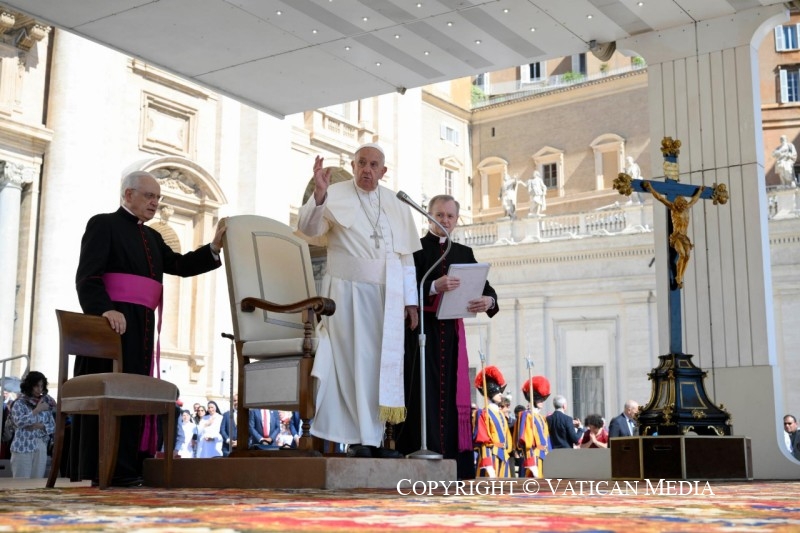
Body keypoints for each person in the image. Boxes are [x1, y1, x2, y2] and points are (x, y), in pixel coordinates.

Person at [73, 169, 225, 486]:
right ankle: (108, 467)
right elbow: (87, 277)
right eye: (149, 196)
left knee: (136, 397)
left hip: (143, 326)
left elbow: (180, 266)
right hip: (112, 327)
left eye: (158, 197)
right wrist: (105, 309)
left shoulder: (153, 237)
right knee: (117, 396)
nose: (155, 203)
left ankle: (130, 467)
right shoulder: (103, 224)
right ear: (128, 194)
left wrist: (213, 248)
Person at [296, 143, 421, 459]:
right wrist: (320, 195)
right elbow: (309, 228)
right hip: (347, 294)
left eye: (374, 164)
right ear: (353, 166)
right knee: (353, 363)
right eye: (361, 163)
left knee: (380, 367)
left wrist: (411, 301)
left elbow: (405, 257)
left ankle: (377, 439)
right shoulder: (334, 194)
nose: (367, 169)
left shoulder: (395, 203)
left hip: (386, 299)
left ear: (383, 170)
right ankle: (357, 439)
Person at [395, 194, 498, 478]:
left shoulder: (464, 253)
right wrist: (431, 286)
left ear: (456, 220)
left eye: (450, 216)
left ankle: (453, 458)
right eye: (439, 215)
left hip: (451, 336)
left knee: (451, 394)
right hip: (421, 334)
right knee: (421, 391)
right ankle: (419, 449)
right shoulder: (413, 250)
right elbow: (402, 288)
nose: (444, 221)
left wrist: (487, 302)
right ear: (428, 216)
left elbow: (486, 288)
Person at [641, 181, 704, 289]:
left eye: (682, 203)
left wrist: (699, 191)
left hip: (685, 237)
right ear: (677, 203)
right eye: (680, 203)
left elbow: (694, 200)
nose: (681, 205)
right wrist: (650, 188)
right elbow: (660, 198)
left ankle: (680, 276)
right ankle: (678, 277)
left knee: (687, 256)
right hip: (676, 237)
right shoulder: (673, 208)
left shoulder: (687, 208)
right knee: (683, 255)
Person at [9, 371, 55, 478]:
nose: (39, 389)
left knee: (37, 484)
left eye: (42, 386)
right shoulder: (19, 403)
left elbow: (53, 426)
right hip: (22, 446)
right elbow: (19, 422)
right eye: (36, 386)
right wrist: (37, 410)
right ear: (29, 386)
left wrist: (41, 426)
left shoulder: (45, 403)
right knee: (21, 483)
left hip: (41, 446)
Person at [473, 365, 512, 478]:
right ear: (490, 393)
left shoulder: (500, 414)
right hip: (492, 456)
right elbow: (483, 440)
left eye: (500, 391)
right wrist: (487, 463)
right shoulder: (484, 413)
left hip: (503, 456)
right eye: (497, 392)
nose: (500, 394)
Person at [515, 376, 552, 478]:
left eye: (542, 399)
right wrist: (531, 463)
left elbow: (547, 440)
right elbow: (526, 443)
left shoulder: (541, 418)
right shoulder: (527, 415)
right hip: (535, 458)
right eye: (540, 399)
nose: (542, 402)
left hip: (545, 457)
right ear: (534, 400)